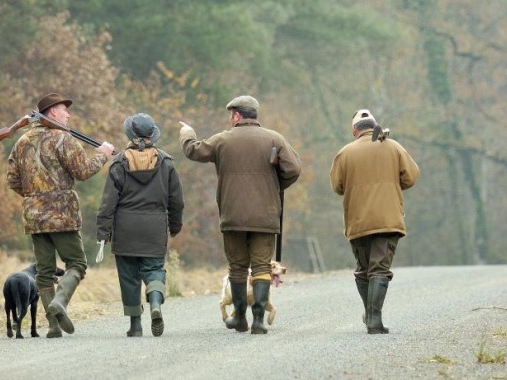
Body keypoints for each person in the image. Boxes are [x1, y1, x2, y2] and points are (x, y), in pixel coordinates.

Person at [179, 95, 301, 334]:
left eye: (230, 114)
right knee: (262, 267)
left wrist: (187, 133)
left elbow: (194, 151)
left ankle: (240, 318)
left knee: (237, 267)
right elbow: (294, 169)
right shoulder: (274, 138)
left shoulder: (223, 139)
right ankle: (258, 321)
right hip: (265, 216)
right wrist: (275, 187)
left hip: (233, 215)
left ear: (236, 115)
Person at [7, 93, 115, 338]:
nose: (68, 114)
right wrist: (103, 154)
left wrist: (35, 198)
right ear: (53, 112)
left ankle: (53, 327)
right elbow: (84, 171)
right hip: (62, 214)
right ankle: (60, 303)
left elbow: (12, 180)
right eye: (64, 110)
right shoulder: (62, 139)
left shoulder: (22, 141)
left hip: (34, 217)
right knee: (77, 264)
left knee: (44, 271)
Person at [329, 109, 419, 334]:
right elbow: (411, 177)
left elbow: (337, 187)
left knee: (363, 270)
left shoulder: (344, 153)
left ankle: (369, 313)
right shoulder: (393, 146)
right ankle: (374, 318)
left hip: (358, 221)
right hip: (388, 219)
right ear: (375, 125)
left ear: (354, 131)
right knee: (380, 268)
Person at [96, 113, 184, 337]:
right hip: (154, 228)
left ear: (130, 134)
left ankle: (135, 326)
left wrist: (103, 233)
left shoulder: (118, 163)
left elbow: (108, 203)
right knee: (154, 270)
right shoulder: (166, 163)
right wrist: (174, 226)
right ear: (152, 134)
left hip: (126, 229)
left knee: (129, 276)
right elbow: (177, 200)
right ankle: (155, 303)